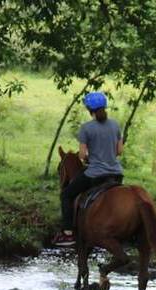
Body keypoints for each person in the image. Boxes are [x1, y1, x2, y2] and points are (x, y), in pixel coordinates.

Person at [53, 92, 124, 247]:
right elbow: (119, 151)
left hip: (96, 174)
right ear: (105, 107)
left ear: (89, 109)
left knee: (66, 194)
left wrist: (88, 157)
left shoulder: (86, 128)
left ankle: (68, 233)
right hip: (117, 174)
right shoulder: (115, 125)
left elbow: (83, 155)